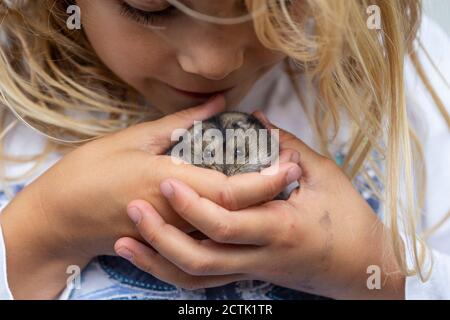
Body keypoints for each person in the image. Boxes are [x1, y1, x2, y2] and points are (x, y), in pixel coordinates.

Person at [0, 0, 448, 300]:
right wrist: (40, 231)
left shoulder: (405, 73)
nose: (213, 63)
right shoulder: (11, 115)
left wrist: (377, 271)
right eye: (150, 5)